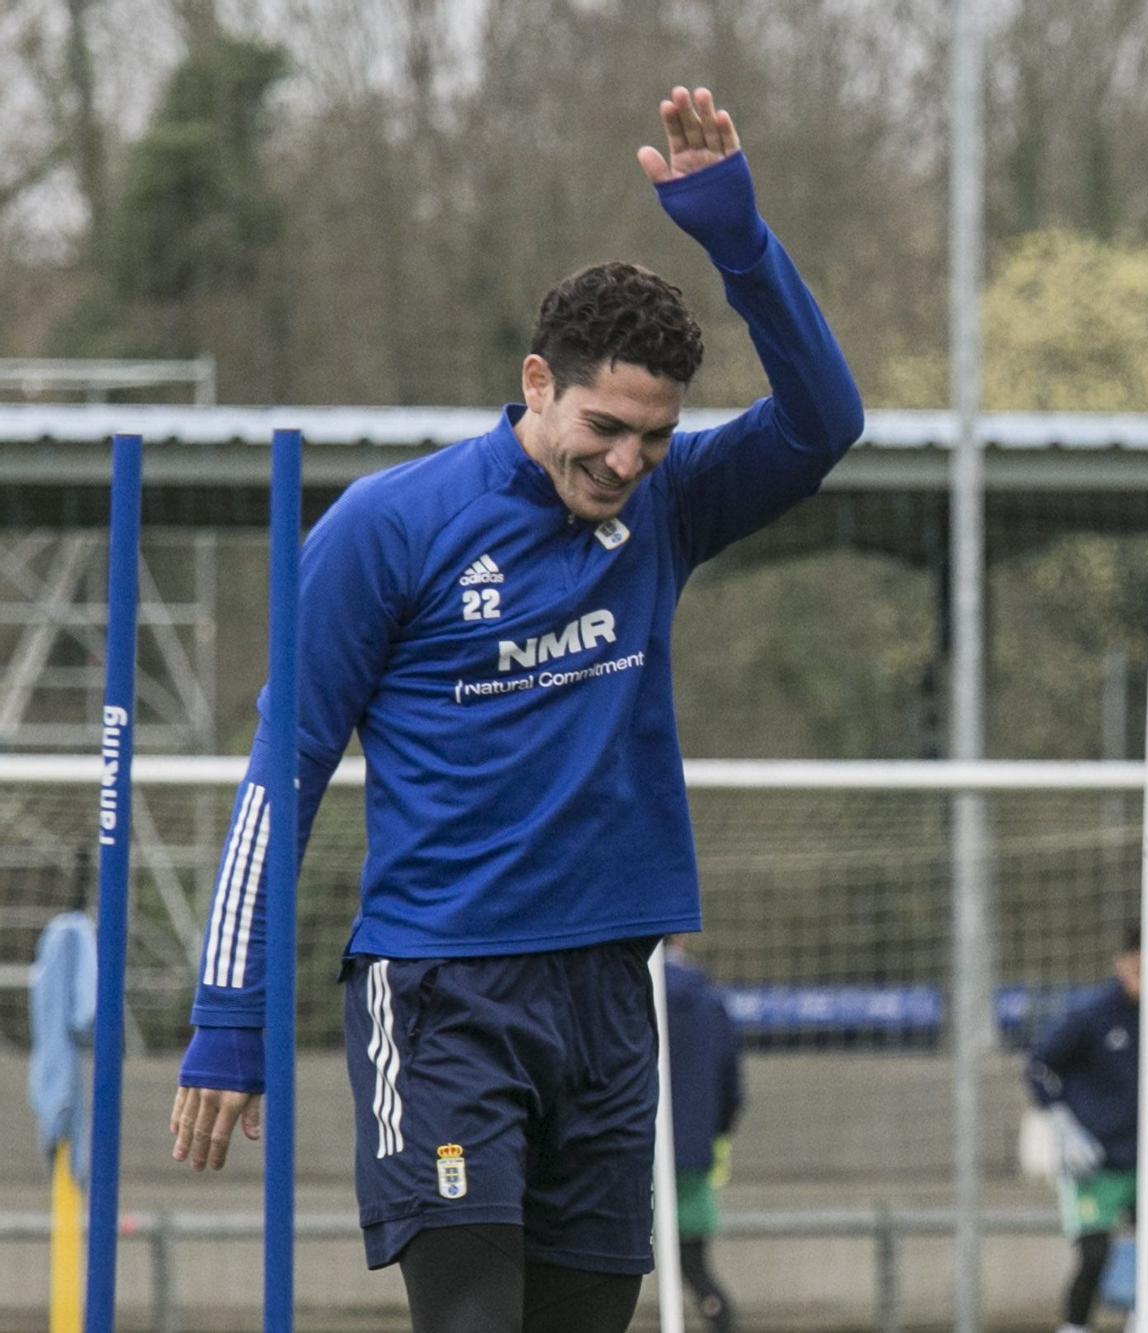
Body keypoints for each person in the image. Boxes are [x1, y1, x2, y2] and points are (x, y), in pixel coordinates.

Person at [167, 86, 863, 1333]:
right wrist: (229, 1015)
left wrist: (739, 241)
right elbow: (282, 771)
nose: (623, 464)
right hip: (440, 996)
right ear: (536, 383)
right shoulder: (390, 528)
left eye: (652, 439)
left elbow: (826, 423)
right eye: (602, 428)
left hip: (608, 991)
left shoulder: (667, 506)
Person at [1026, 930, 1148, 1333]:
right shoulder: (1090, 1016)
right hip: (1095, 1163)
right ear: (1122, 963)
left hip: (1146, 1160)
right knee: (1094, 1255)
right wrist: (1063, 1123)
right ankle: (1074, 1326)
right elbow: (1039, 1066)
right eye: (1140, 968)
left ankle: (1146, 1318)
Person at [663, 938, 744, 1333]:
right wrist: (717, 1134)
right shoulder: (710, 1002)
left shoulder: (620, 993)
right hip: (693, 1154)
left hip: (626, 1153)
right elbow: (733, 1087)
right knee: (694, 1267)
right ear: (678, 938)